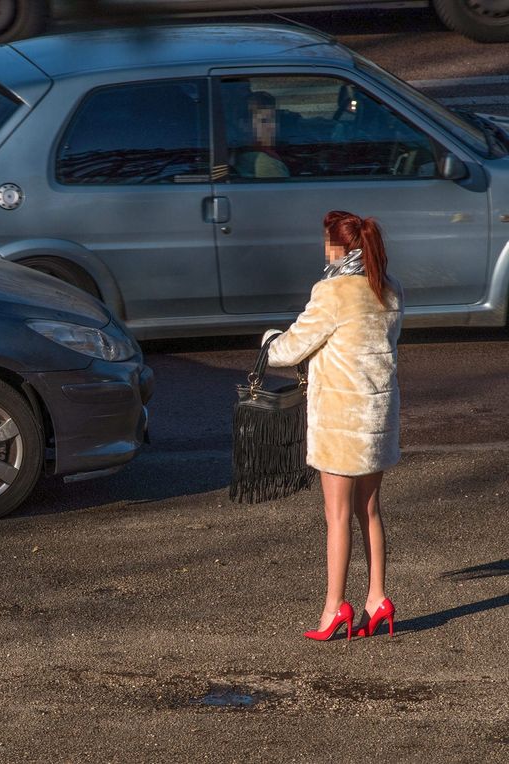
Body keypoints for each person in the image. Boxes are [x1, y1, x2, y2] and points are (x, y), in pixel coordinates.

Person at [263, 210, 402, 641]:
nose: (323, 248)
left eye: (327, 241)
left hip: (341, 422)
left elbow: (291, 348)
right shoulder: (390, 290)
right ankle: (377, 599)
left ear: (339, 248)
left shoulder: (332, 292)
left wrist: (268, 341)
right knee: (369, 511)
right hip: (376, 418)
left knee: (336, 517)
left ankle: (333, 609)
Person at [235, 91, 290, 179]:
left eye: (275, 120)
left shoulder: (238, 151)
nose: (273, 126)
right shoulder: (266, 163)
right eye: (264, 121)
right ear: (245, 124)